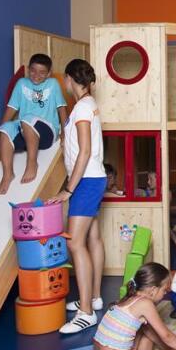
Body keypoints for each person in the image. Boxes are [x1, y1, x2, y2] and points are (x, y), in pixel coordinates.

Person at [46, 59, 107, 334]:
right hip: (92, 178)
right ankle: (93, 298)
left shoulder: (82, 108)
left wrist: (68, 190)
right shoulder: (87, 104)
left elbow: (84, 151)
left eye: (65, 79)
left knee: (75, 243)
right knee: (92, 238)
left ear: (70, 79)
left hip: (86, 181)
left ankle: (86, 312)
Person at [0, 53, 67, 194]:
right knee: (5, 128)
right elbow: (11, 108)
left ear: (49, 74)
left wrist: (65, 132)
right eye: (33, 70)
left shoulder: (52, 84)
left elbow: (62, 109)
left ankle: (32, 163)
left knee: (27, 119)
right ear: (28, 69)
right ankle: (8, 174)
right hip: (25, 131)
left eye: (42, 72)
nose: (36, 75)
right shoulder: (22, 83)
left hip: (47, 133)